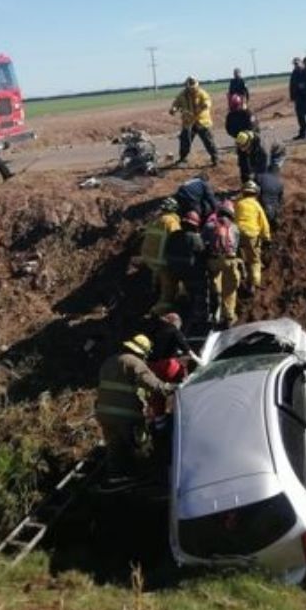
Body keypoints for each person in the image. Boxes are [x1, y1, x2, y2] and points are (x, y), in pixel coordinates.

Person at [95, 334, 176, 477]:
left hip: (104, 414)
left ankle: (115, 476)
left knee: (114, 447)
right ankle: (142, 475)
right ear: (142, 352)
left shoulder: (109, 361)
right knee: (139, 444)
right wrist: (169, 388)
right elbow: (151, 383)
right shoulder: (134, 362)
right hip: (126, 415)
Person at [164, 211, 211, 333]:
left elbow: (166, 251)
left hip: (173, 273)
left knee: (174, 297)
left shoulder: (173, 235)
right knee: (200, 294)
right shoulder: (194, 238)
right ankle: (199, 320)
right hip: (191, 274)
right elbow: (202, 255)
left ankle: (173, 314)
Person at [204, 200, 244, 329]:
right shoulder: (235, 228)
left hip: (213, 260)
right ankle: (229, 317)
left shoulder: (209, 226)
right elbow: (236, 246)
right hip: (229, 261)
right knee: (230, 290)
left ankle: (216, 296)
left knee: (213, 282)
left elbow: (203, 242)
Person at [140, 198, 182, 314]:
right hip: (161, 261)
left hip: (149, 258)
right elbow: (178, 238)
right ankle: (158, 312)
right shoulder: (171, 221)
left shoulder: (155, 220)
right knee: (169, 290)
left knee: (158, 273)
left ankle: (155, 287)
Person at [169, 77, 218, 166]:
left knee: (208, 140)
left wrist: (205, 105)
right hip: (188, 122)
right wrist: (174, 109)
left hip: (201, 121)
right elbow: (176, 103)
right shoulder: (182, 95)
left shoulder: (202, 93)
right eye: (189, 87)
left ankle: (215, 158)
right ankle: (183, 159)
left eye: (193, 87)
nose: (191, 89)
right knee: (185, 141)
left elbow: (207, 101)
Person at [235, 180, 271, 297]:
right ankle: (253, 285)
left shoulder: (238, 203)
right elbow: (264, 224)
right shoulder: (257, 206)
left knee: (238, 257)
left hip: (237, 234)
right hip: (251, 235)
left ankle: (240, 277)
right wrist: (267, 238)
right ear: (256, 193)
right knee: (254, 261)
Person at [257, 160, 284, 231]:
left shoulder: (261, 177)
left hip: (261, 207)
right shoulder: (280, 183)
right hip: (273, 211)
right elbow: (280, 200)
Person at [289, 57, 306, 140]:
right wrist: (292, 96)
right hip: (298, 98)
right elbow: (291, 85)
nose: (296, 65)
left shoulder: (305, 71)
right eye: (294, 64)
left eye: (297, 63)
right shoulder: (294, 73)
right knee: (300, 117)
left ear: (301, 63)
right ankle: (302, 133)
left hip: (305, 97)